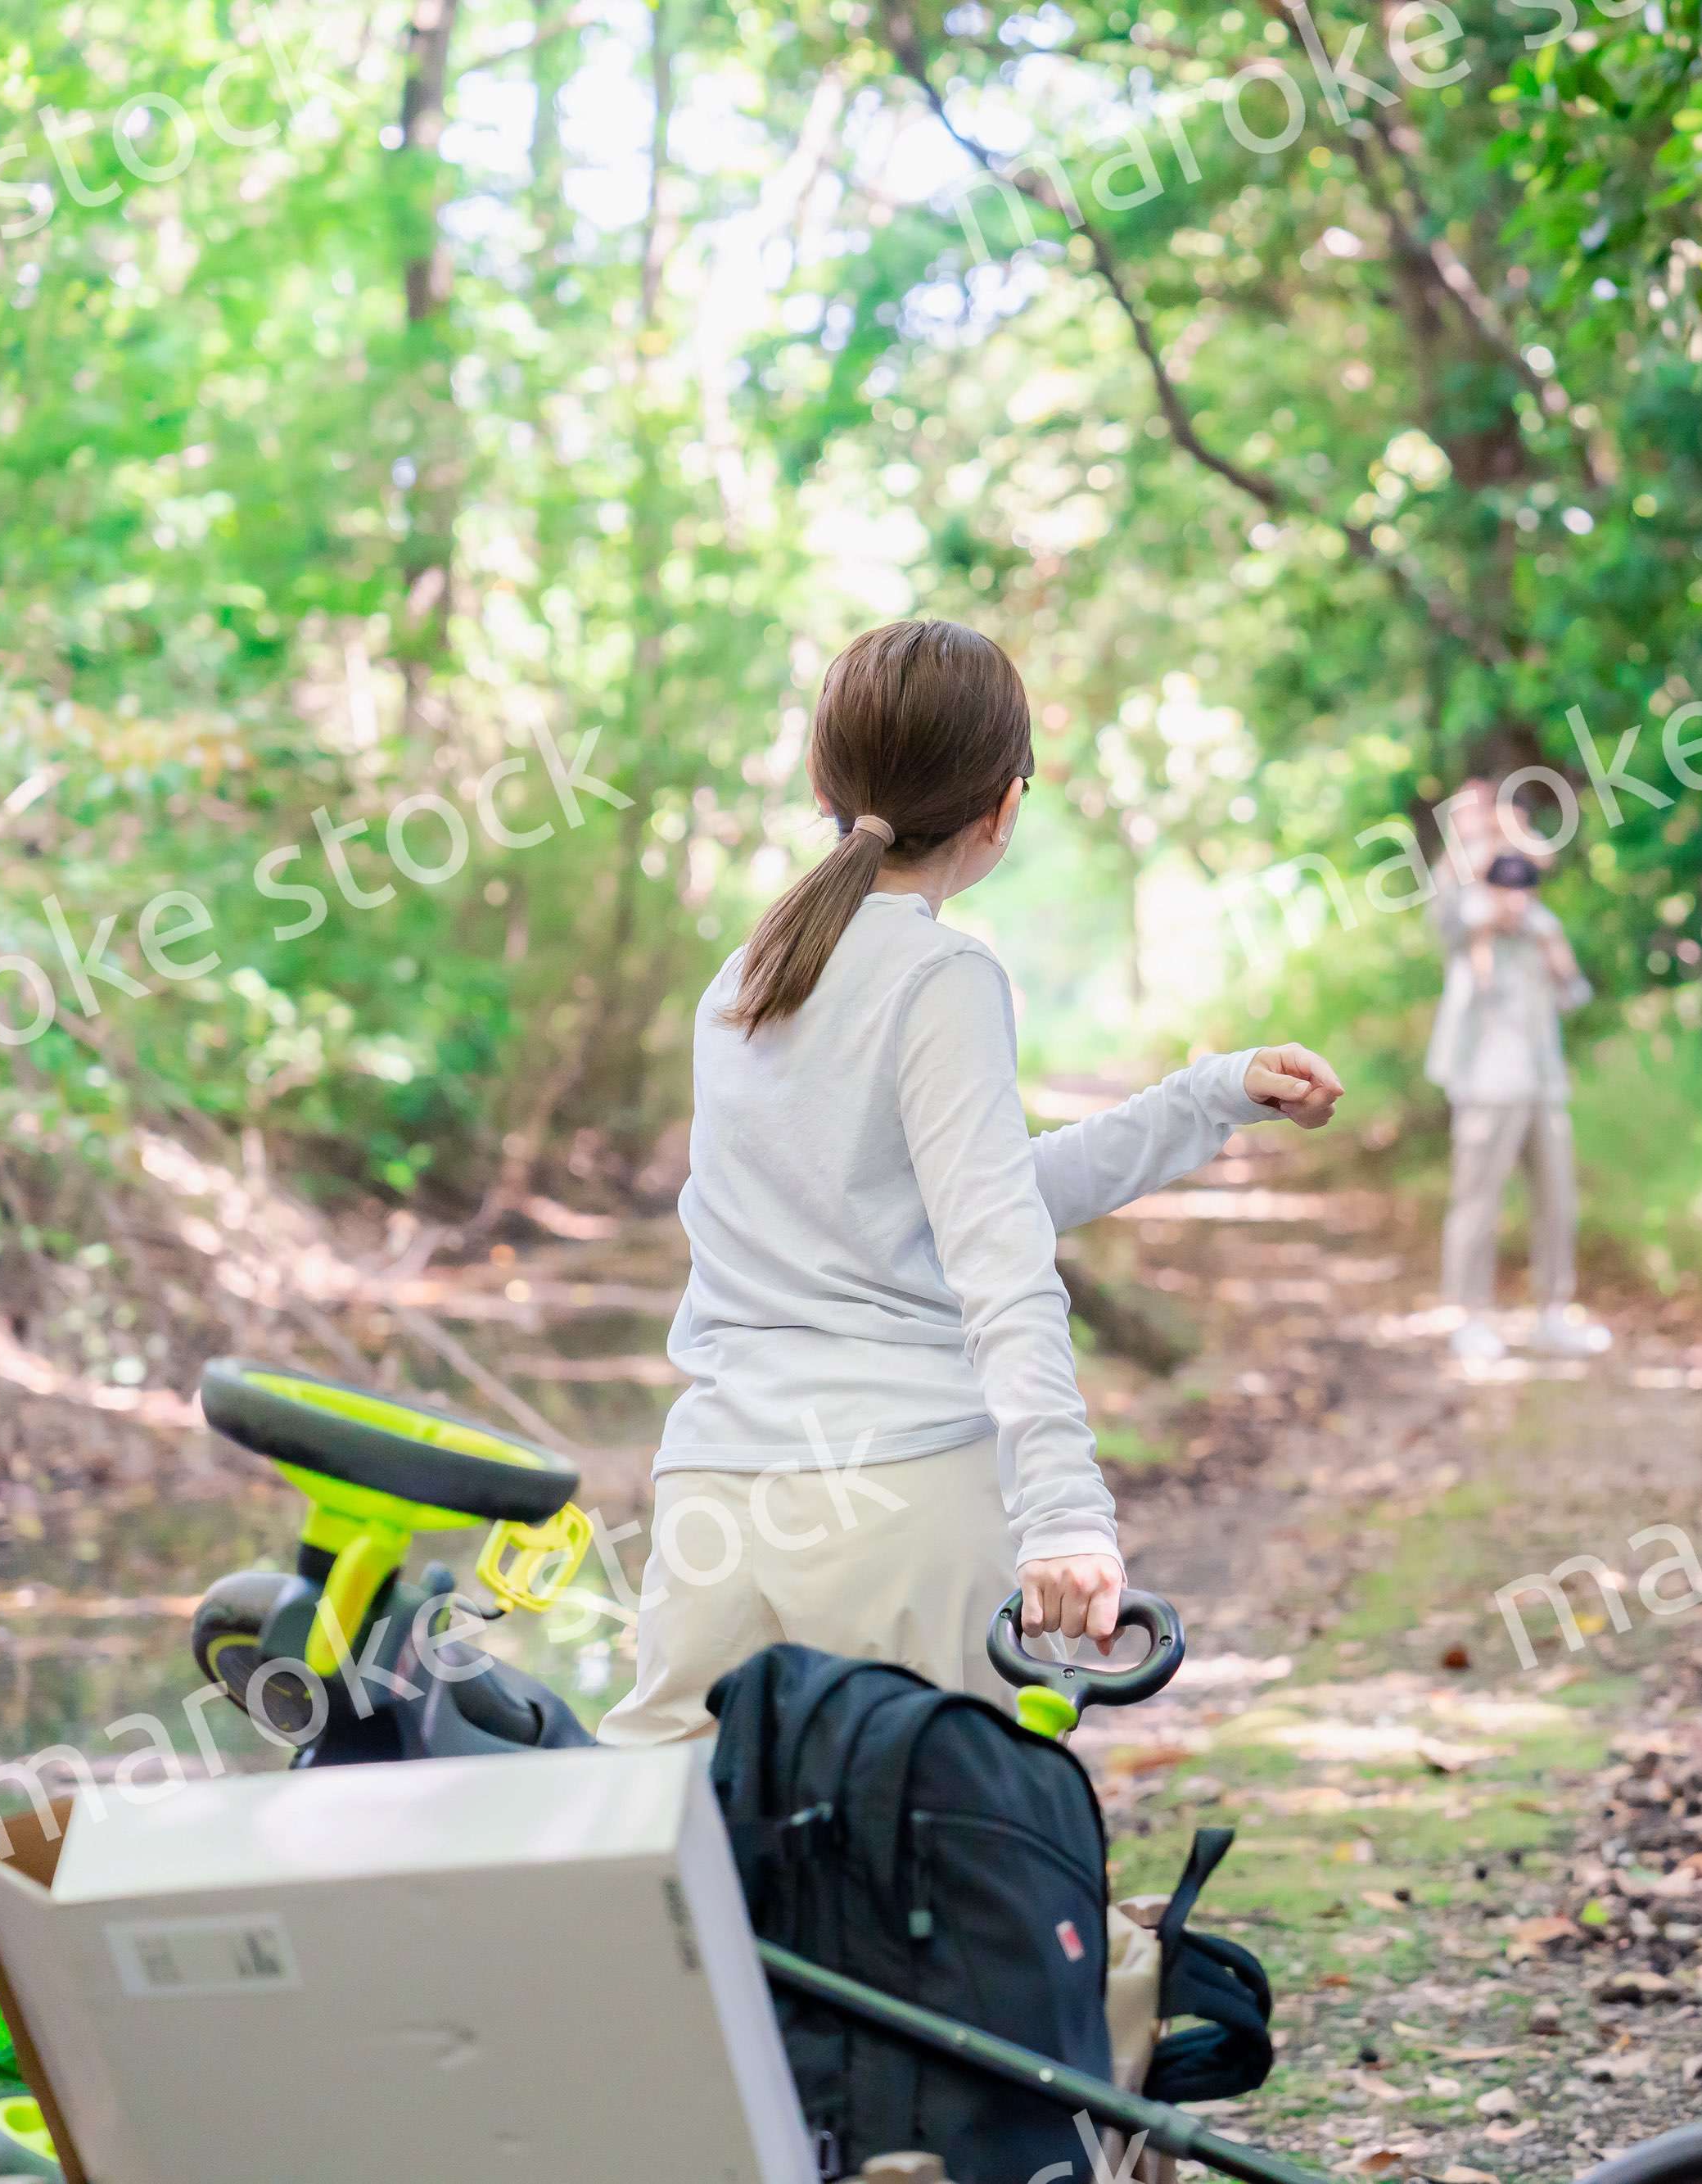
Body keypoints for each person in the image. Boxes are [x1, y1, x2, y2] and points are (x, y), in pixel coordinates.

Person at [602, 618, 1343, 1742]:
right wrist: (1065, 1513)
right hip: (898, 1495)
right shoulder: (941, 970)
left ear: (824, 781)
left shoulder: (748, 974)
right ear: (1003, 805)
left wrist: (1214, 1093)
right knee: (953, 1883)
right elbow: (997, 1251)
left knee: (682, 1881)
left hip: (717, 1496)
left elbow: (969, 1196)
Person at [1429, 848, 1607, 1363]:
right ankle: (1470, 1317)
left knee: (1558, 1200)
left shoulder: (1538, 936)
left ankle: (1553, 1312)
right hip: (1487, 1090)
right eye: (1504, 887)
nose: (1514, 898)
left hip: (1542, 1086)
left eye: (1523, 888)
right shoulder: (1469, 934)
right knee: (1477, 1203)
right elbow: (1448, 911)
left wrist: (1551, 946)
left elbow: (1574, 994)